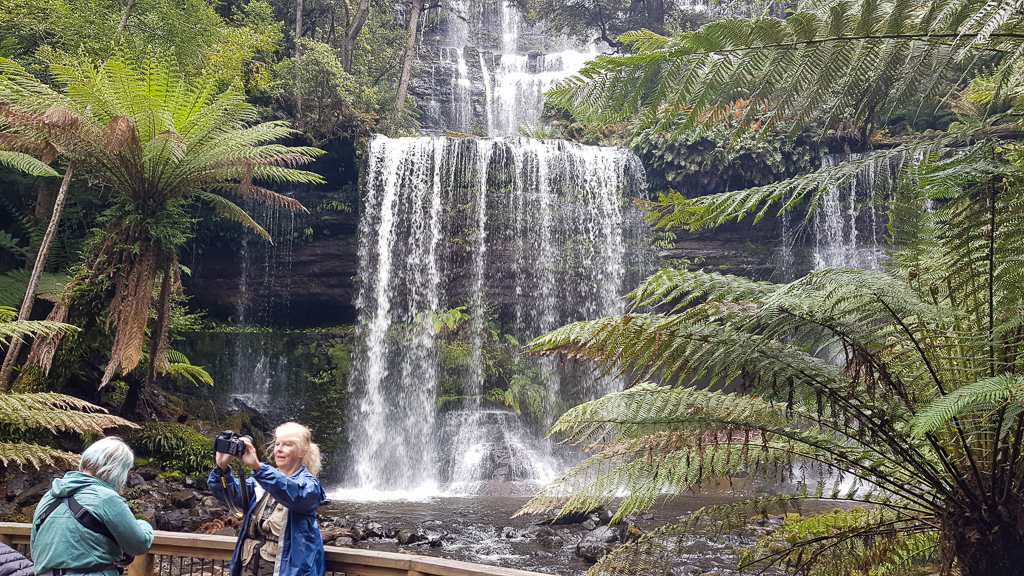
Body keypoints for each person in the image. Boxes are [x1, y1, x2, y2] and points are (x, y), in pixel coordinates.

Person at [208, 422, 326, 576]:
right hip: (248, 567)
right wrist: (221, 468)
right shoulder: (260, 482)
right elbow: (232, 495)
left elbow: (293, 494)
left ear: (303, 450)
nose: (279, 449)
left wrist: (258, 468)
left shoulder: (310, 485)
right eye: (277, 444)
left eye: (287, 445)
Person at [31, 437, 154, 576]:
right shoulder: (107, 497)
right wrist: (143, 525)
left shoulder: (50, 496)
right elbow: (138, 544)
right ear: (116, 470)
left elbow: (35, 547)